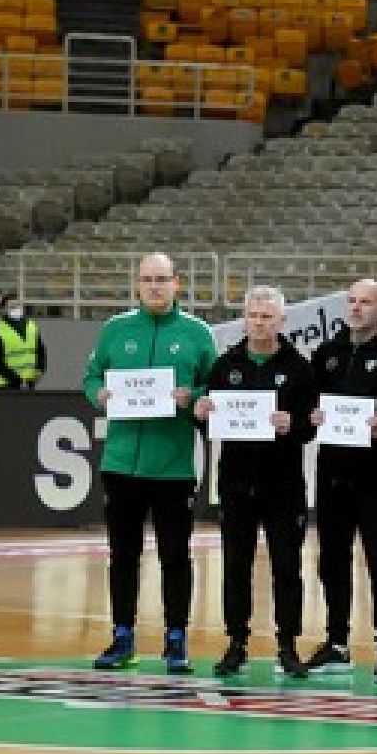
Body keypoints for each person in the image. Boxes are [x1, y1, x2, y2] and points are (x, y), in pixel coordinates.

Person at [82, 253, 219, 672]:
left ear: (177, 283)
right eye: (147, 279)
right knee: (123, 555)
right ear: (137, 285)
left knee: (175, 556)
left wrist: (193, 397)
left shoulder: (197, 333)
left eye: (162, 279)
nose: (155, 287)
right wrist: (98, 394)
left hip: (173, 467)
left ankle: (176, 638)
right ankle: (122, 636)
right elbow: (92, 376)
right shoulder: (115, 329)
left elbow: (214, 387)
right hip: (121, 463)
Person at [197, 287, 319, 679]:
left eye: (267, 316)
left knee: (287, 567)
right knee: (236, 567)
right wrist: (201, 412)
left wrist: (293, 424)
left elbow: (311, 427)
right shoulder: (225, 365)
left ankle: (288, 646)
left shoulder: (299, 368)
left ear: (282, 321)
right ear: (244, 319)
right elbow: (208, 422)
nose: (259, 323)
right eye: (253, 315)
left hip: (283, 486)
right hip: (235, 485)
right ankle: (236, 643)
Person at [308, 279, 377, 682]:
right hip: (332, 473)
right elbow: (308, 407)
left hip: (376, 474)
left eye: (365, 302)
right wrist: (312, 416)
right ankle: (337, 642)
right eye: (351, 301)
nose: (356, 308)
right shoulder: (327, 353)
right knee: (332, 560)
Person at [0, 291, 45, 390]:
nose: (16, 309)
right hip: (7, 385)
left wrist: (39, 370)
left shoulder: (32, 326)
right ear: (4, 309)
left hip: (29, 383)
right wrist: (18, 380)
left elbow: (41, 351)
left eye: (17, 305)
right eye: (11, 306)